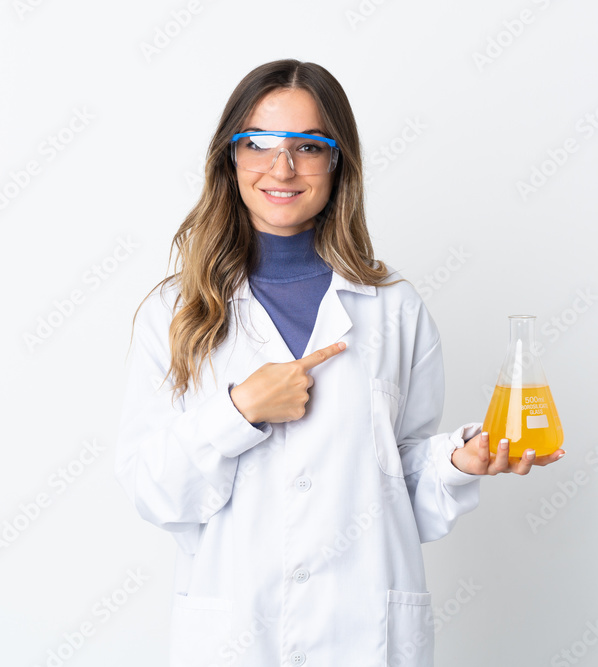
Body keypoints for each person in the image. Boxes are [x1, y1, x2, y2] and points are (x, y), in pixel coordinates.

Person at [115, 59, 565, 667]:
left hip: (363, 635)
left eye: (308, 146)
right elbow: (157, 493)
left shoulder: (393, 307)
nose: (282, 167)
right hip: (236, 635)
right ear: (230, 159)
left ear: (338, 162)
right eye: (259, 145)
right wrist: (240, 411)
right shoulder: (175, 312)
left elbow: (400, 482)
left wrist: (458, 463)